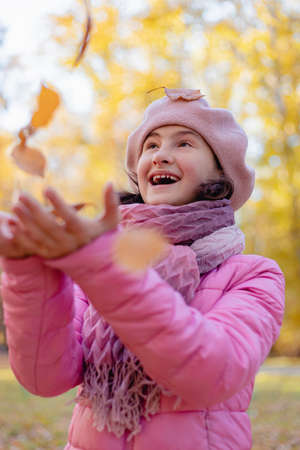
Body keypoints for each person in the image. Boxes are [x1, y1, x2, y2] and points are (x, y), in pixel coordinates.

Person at [0, 88, 284, 450]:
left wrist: (104, 268)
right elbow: (45, 378)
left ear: (220, 174)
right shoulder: (98, 265)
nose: (161, 155)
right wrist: (27, 269)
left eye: (183, 144)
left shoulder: (253, 275)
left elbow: (210, 372)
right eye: (151, 146)